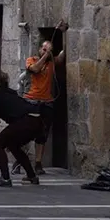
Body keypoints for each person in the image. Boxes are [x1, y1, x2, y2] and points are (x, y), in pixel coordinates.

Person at [12, 20, 69, 175]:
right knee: (25, 131)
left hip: (47, 102)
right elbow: (35, 70)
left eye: (47, 50)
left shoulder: (52, 63)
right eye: (43, 49)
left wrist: (64, 33)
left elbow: (63, 55)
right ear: (39, 49)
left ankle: (38, 163)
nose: (45, 51)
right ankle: (19, 160)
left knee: (42, 134)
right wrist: (46, 55)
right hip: (31, 100)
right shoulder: (32, 60)